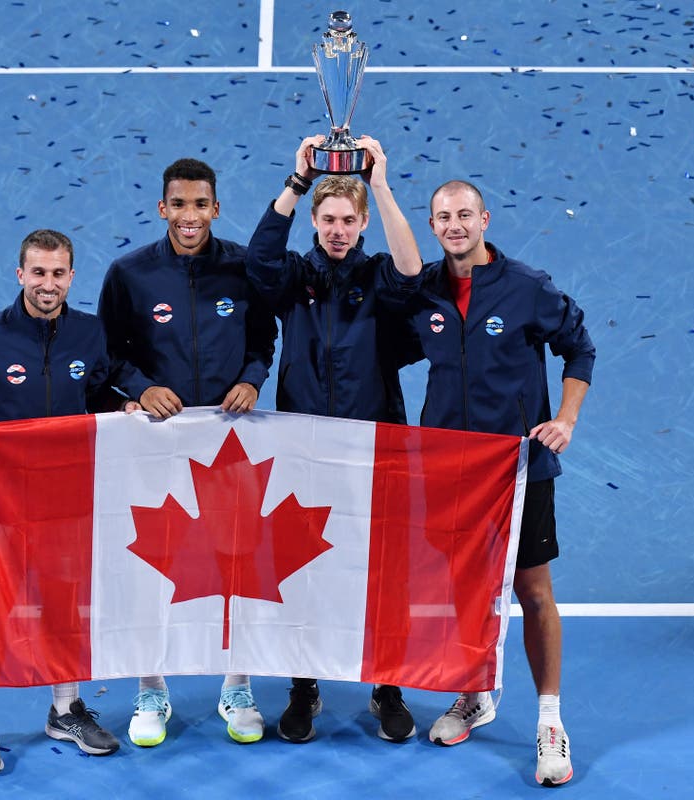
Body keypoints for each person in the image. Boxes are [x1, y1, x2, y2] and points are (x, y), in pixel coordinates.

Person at [406, 180, 595, 787]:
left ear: (484, 218)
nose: (454, 225)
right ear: (432, 226)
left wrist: (565, 419)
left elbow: (579, 348)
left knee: (532, 589)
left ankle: (549, 721)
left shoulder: (527, 288)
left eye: (465, 214)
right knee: (464, 587)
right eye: (443, 217)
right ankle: (473, 693)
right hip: (449, 469)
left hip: (519, 469)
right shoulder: (424, 292)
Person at [245, 134, 423, 744]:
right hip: (303, 449)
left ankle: (388, 685)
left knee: (382, 571)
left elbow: (411, 268)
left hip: (377, 451)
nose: (338, 230)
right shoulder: (295, 278)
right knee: (303, 569)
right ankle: (304, 685)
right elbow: (259, 260)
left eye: (348, 220)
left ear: (363, 221)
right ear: (315, 221)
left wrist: (379, 181)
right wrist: (296, 182)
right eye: (328, 219)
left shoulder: (379, 277)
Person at [0, 229, 125, 775]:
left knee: (67, 600)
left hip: (69, 495)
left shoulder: (89, 334)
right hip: (5, 499)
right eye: (38, 272)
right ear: (20, 275)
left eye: (58, 273)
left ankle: (65, 708)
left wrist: (126, 409)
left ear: (71, 276)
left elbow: (103, 392)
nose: (48, 283)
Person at [97, 157, 278, 747]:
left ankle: (238, 683)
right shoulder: (129, 275)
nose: (190, 215)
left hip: (230, 438)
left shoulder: (243, 269)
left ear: (216, 208)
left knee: (238, 561)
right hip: (158, 439)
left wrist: (252, 378)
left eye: (200, 204)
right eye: (179, 204)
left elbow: (263, 337)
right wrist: (141, 388)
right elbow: (109, 352)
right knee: (155, 559)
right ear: (162, 208)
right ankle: (151, 687)